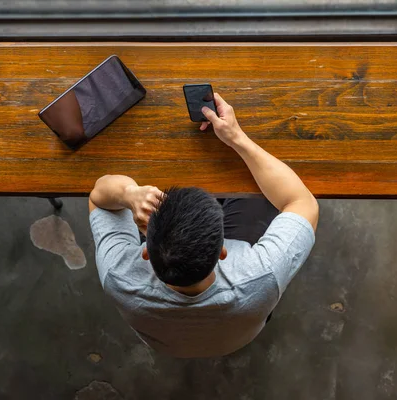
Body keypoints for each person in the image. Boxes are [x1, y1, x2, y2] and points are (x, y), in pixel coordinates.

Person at [88, 93, 319, 358]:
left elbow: (98, 197)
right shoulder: (261, 276)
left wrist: (129, 193)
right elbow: (301, 202)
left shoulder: (118, 276)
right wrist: (236, 139)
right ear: (223, 251)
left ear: (146, 252)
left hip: (166, 343)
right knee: (262, 195)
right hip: (240, 333)